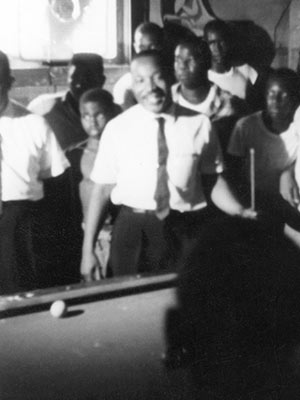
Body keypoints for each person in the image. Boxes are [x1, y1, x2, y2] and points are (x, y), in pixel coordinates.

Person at [81, 49, 256, 281]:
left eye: (157, 77)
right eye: (140, 80)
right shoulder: (117, 128)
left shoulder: (200, 124)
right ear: (132, 85)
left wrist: (240, 211)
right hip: (132, 230)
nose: (150, 87)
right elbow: (101, 190)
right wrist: (87, 250)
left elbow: (211, 181)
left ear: (172, 76)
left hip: (183, 229)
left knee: (185, 302)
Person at [27, 53, 106, 287]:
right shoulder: (47, 114)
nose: (79, 83)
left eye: (87, 77)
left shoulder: (113, 113)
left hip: (100, 218)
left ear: (101, 79)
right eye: (74, 77)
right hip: (59, 219)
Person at [0, 51, 70, 295]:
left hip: (20, 223)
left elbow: (57, 182)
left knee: (21, 297)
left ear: (9, 82)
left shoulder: (34, 123)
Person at [227, 68, 300, 246]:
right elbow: (232, 172)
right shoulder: (246, 126)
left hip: (287, 205)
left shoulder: (297, 126)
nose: (275, 101)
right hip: (254, 202)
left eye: (284, 95)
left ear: (295, 99)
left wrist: (288, 172)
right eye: (271, 94)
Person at [172, 36, 248, 154]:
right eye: (177, 60)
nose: (182, 66)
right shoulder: (166, 100)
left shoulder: (230, 106)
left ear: (207, 63)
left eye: (190, 60)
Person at [79, 88, 121, 277]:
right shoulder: (75, 154)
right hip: (89, 237)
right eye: (85, 116)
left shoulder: (122, 151)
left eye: (98, 114)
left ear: (112, 112)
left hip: (116, 233)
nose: (92, 121)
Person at [203, 19, 260, 109]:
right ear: (205, 44)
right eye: (212, 43)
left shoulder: (247, 71)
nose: (217, 48)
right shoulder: (203, 78)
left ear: (228, 42)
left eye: (221, 41)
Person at [113, 22, 164, 110]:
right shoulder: (125, 85)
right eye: (142, 47)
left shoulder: (172, 79)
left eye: (152, 46)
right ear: (135, 47)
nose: (147, 52)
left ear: (161, 46)